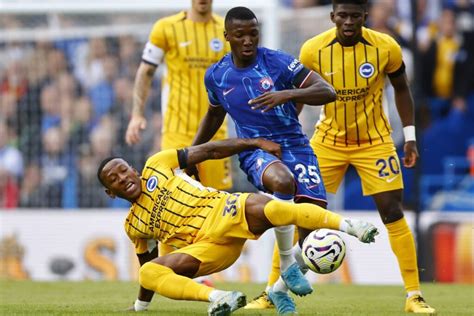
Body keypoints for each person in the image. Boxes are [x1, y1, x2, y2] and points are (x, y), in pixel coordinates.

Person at [248, 0, 436, 314]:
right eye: (343, 15)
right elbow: (300, 97)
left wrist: (411, 136)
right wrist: (285, 140)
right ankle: (271, 292)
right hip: (327, 142)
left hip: (375, 141)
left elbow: (402, 88)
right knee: (302, 215)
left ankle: (414, 295)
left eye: (355, 15)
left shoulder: (385, 47)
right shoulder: (312, 50)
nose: (348, 21)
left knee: (392, 210)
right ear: (332, 16)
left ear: (365, 16)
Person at [97, 137, 379, 315]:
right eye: (113, 179)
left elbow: (208, 150)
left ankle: (349, 225)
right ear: (111, 192)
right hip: (207, 249)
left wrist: (252, 143)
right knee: (147, 271)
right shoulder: (134, 226)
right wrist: (140, 307)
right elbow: (150, 267)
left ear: (133, 169)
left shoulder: (157, 164)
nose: (121, 178)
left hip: (223, 210)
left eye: (122, 170)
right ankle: (220, 297)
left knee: (277, 208)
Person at [191, 6, 337, 314]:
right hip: (255, 149)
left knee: (312, 228)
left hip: (295, 145)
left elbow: (327, 90)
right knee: (283, 181)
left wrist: (286, 95)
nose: (247, 41)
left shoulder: (278, 62)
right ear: (227, 36)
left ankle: (278, 291)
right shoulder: (217, 75)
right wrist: (194, 152)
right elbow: (215, 113)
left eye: (253, 34)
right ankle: (286, 265)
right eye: (240, 35)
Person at [125, 0, 232, 191]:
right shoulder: (166, 28)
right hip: (177, 133)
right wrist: (137, 114)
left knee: (218, 203)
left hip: (216, 134)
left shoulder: (228, 30)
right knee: (173, 197)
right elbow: (146, 71)